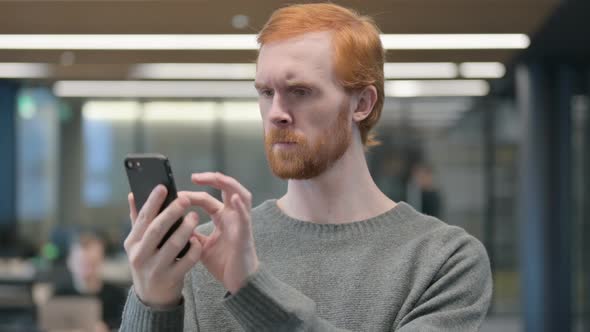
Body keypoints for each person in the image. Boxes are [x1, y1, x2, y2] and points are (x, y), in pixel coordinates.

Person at [120, 3, 492, 331]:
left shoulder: (443, 259)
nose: (277, 113)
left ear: (361, 103)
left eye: (300, 91)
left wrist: (252, 288)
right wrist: (153, 302)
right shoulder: (205, 253)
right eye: (266, 93)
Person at [54, 231, 127, 331]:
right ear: (69, 262)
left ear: (101, 260)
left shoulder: (116, 297)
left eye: (91, 263)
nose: (86, 269)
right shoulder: (59, 296)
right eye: (81, 262)